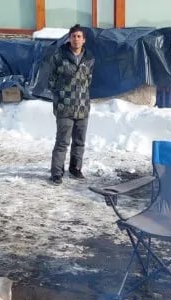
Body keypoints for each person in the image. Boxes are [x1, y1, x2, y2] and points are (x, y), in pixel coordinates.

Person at [47, 24, 95, 185]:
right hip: (64, 107)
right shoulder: (59, 56)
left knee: (79, 142)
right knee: (62, 142)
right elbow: (51, 80)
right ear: (69, 38)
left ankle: (75, 169)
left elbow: (88, 81)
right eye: (73, 36)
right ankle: (56, 173)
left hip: (82, 107)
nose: (76, 39)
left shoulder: (89, 59)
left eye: (79, 36)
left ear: (84, 40)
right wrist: (60, 96)